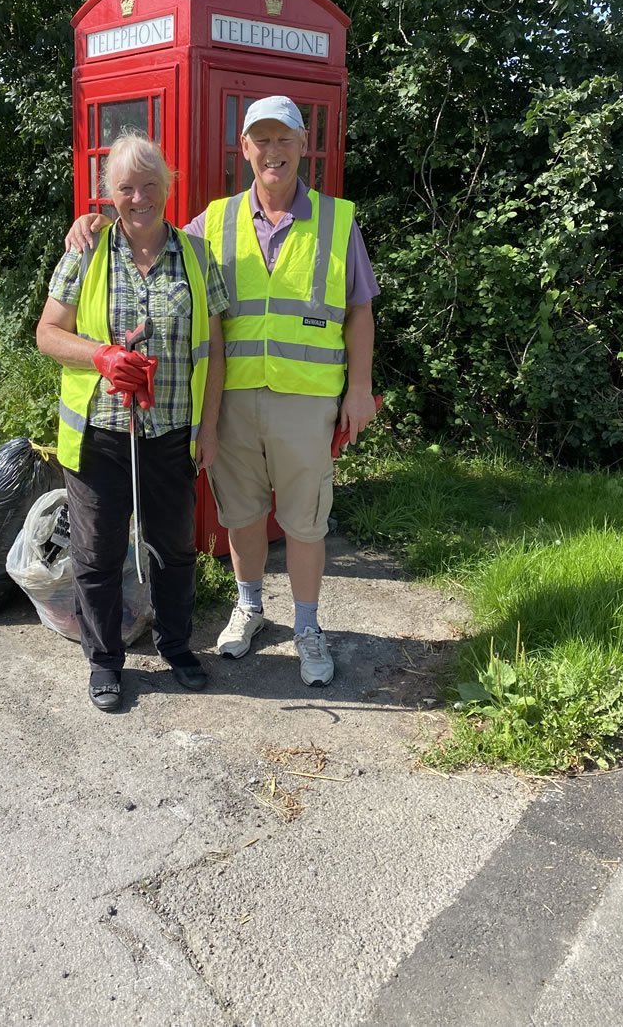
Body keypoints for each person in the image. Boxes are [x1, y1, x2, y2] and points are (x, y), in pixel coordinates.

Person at [66, 96, 378, 688]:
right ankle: (250, 607)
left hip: (306, 400)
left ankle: (308, 627)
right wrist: (92, 221)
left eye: (284, 139)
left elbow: (360, 309)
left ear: (303, 145)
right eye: (261, 140)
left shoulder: (338, 221)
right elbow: (147, 240)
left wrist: (359, 387)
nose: (273, 151)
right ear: (245, 149)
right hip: (231, 398)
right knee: (241, 514)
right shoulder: (215, 221)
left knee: (306, 520)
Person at [38, 130, 228, 712]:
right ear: (108, 195)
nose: (139, 197)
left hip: (170, 432)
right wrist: (100, 355)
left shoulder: (196, 256)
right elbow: (47, 335)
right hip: (100, 434)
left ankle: (176, 646)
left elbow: (216, 350)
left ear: (167, 188)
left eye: (150, 185)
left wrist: (211, 427)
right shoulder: (86, 249)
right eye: (126, 188)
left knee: (173, 549)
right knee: (96, 555)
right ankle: (104, 662)